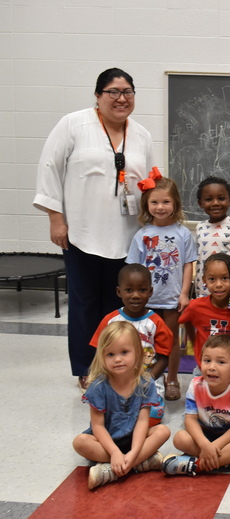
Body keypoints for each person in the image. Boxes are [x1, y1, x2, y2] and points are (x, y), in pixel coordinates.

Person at [34, 68, 155, 389]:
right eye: (113, 92)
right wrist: (55, 218)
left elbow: (152, 183)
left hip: (127, 237)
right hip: (81, 234)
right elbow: (49, 169)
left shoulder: (141, 134)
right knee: (85, 303)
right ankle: (86, 369)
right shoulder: (73, 124)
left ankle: (116, 365)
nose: (121, 98)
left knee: (116, 306)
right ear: (98, 95)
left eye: (128, 92)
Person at [73, 322, 170, 490]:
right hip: (106, 442)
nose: (118, 359)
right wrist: (115, 453)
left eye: (124, 352)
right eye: (110, 354)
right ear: (102, 357)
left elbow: (142, 422)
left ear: (138, 353)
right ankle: (139, 463)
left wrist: (133, 452)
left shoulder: (146, 382)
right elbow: (98, 426)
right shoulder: (98, 386)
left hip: (134, 440)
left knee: (163, 431)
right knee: (80, 442)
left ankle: (113, 469)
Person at [127, 171, 197, 401]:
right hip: (147, 300)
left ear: (175, 203)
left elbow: (188, 265)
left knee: (171, 341)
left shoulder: (183, 233)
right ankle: (147, 379)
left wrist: (185, 293)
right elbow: (134, 269)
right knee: (145, 340)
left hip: (172, 298)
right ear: (146, 204)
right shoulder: (142, 234)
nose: (160, 207)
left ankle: (173, 378)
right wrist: (135, 295)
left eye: (166, 202)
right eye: (154, 202)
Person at [161, 335, 230, 477]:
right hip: (203, 435)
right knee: (180, 438)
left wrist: (215, 446)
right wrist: (205, 445)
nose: (212, 367)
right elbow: (190, 420)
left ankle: (196, 465)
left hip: (228, 438)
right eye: (207, 360)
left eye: (221, 362)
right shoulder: (195, 385)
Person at [90, 264, 173, 426]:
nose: (135, 295)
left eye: (142, 290)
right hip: (116, 381)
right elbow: (99, 353)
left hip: (146, 382)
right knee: (110, 418)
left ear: (150, 292)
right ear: (119, 292)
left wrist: (148, 380)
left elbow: (164, 358)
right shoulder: (110, 321)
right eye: (129, 290)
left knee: (152, 418)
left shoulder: (155, 322)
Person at [179, 253, 230, 370]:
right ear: (204, 280)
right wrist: (195, 343)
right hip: (204, 370)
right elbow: (186, 320)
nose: (218, 285)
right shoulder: (196, 307)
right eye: (212, 279)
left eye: (225, 278)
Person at [193, 176, 230, 297]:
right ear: (200, 203)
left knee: (229, 315)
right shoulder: (200, 227)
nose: (215, 203)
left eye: (221, 198)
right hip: (204, 289)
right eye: (208, 199)